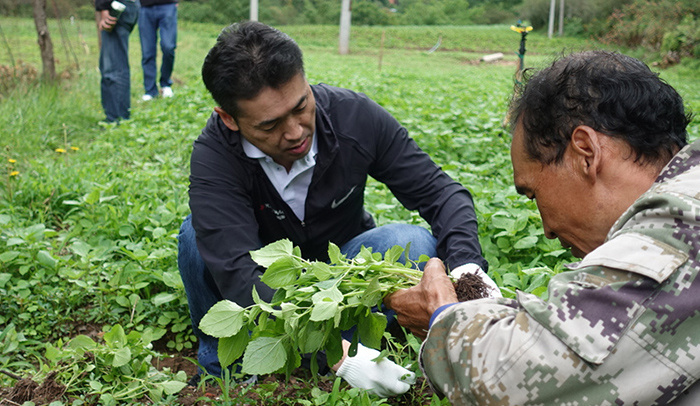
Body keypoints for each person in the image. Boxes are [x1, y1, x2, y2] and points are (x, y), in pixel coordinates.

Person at [178, 21, 497, 396]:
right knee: (195, 237)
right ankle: (227, 369)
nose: (295, 131)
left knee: (411, 241)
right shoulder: (214, 157)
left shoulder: (354, 118)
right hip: (264, 283)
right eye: (270, 125)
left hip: (342, 271)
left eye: (301, 107)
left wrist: (467, 270)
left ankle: (340, 349)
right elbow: (236, 271)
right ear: (228, 118)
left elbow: (441, 194)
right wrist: (340, 354)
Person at [385, 50, 699, 405]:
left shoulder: (681, 225)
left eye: (533, 193)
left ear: (585, 153)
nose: (547, 229)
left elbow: (512, 380)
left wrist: (442, 316)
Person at [96, 0, 139, 123]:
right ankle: (115, 116)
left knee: (114, 68)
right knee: (112, 65)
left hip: (117, 6)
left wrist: (104, 7)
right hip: (126, 6)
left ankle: (117, 119)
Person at [138, 0, 177, 101]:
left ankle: (165, 84)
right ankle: (150, 90)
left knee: (168, 47)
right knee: (147, 52)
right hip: (145, 7)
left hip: (168, 5)